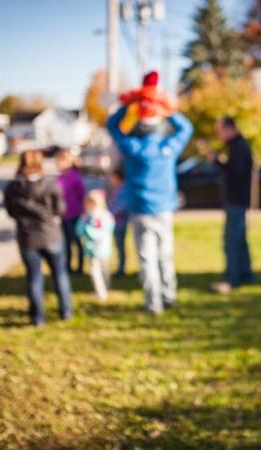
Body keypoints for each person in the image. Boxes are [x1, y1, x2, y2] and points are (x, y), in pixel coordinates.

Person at [106, 70, 193, 315]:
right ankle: (169, 295)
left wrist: (130, 103)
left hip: (140, 209)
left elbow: (112, 125)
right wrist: (165, 106)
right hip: (164, 208)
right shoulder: (168, 146)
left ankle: (153, 303)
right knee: (166, 254)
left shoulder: (132, 146)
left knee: (147, 259)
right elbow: (186, 128)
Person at [3, 149, 73, 326]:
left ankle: (38, 318)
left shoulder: (13, 188)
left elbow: (11, 212)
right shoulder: (50, 185)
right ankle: (66, 311)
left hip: (28, 238)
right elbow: (60, 209)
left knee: (34, 277)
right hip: (51, 235)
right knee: (60, 274)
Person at [208, 117, 255, 294]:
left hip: (236, 200)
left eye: (220, 130)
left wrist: (216, 162)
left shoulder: (239, 147)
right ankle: (246, 274)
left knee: (232, 241)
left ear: (229, 129)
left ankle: (233, 278)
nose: (219, 135)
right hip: (237, 200)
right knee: (239, 239)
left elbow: (234, 172)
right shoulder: (237, 146)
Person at [76, 189, 115, 300]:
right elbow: (78, 230)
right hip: (101, 249)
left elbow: (80, 231)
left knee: (98, 272)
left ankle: (102, 292)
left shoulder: (89, 217)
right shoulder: (106, 215)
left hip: (96, 249)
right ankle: (104, 289)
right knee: (101, 270)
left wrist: (87, 230)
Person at [57, 148, 86, 274]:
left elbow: (82, 195)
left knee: (77, 241)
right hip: (64, 215)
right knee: (67, 242)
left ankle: (80, 267)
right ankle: (68, 266)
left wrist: (83, 211)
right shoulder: (59, 178)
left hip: (75, 214)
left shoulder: (74, 177)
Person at [108, 165, 129, 278]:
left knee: (120, 247)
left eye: (113, 178)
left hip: (120, 223)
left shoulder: (123, 190)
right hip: (115, 222)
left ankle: (121, 269)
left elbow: (122, 207)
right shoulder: (117, 189)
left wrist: (110, 213)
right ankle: (120, 268)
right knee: (118, 246)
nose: (111, 180)